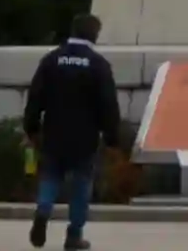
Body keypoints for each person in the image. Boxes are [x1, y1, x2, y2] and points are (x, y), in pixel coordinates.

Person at [23, 13, 123, 250]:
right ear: (94, 34)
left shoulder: (51, 60)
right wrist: (112, 137)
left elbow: (35, 97)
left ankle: (43, 210)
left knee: (51, 176)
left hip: (54, 132)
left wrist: (32, 127)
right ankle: (74, 234)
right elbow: (108, 104)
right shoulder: (98, 65)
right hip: (85, 137)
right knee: (81, 184)